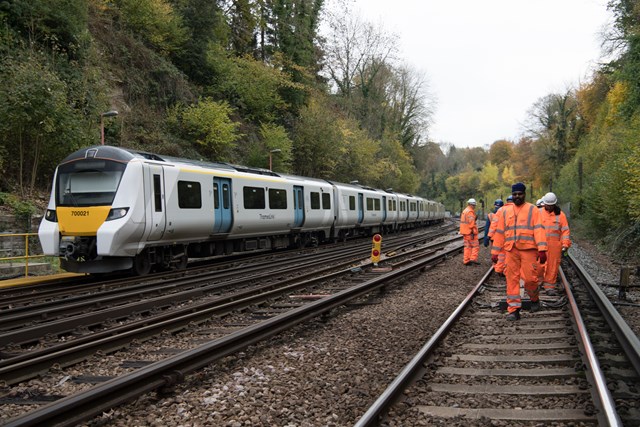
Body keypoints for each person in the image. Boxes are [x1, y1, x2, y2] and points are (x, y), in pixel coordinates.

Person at [491, 183, 548, 321]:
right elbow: (500, 232)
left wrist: (542, 250)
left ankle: (534, 298)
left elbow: (539, 229)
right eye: (515, 194)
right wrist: (495, 251)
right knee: (512, 280)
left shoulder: (533, 210)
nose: (517, 196)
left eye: (520, 194)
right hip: (511, 250)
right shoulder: (505, 211)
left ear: (524, 194)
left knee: (530, 279)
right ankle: (514, 310)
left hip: (528, 249)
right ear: (512, 195)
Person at [539, 192, 571, 296]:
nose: (549, 206)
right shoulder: (538, 212)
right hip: (540, 244)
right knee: (539, 265)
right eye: (547, 205)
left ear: (554, 204)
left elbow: (565, 231)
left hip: (554, 246)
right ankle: (538, 284)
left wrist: (565, 245)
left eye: (551, 205)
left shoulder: (561, 215)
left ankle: (549, 286)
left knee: (552, 267)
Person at [483, 199, 505, 274]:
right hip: (503, 238)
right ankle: (500, 268)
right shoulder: (505, 214)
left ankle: (496, 266)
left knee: (495, 253)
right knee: (502, 254)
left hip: (493, 238)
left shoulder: (491, 215)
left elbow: (487, 228)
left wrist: (486, 238)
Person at [460, 198, 480, 265]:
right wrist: (474, 228)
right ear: (471, 205)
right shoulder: (470, 212)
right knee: (475, 246)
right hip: (470, 232)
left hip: (465, 232)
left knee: (467, 247)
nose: (474, 207)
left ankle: (466, 260)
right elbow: (471, 224)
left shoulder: (465, 210)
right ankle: (473, 259)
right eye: (474, 205)